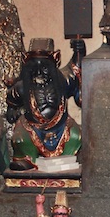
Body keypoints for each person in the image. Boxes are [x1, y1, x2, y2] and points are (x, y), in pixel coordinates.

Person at [6, 38, 83, 171]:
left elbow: (75, 69)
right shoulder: (21, 87)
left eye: (44, 68)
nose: (39, 73)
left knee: (76, 135)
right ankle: (27, 160)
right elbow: (12, 106)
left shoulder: (63, 80)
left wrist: (79, 51)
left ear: (56, 61)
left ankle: (69, 157)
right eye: (33, 68)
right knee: (19, 139)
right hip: (32, 127)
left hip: (61, 125)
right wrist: (14, 111)